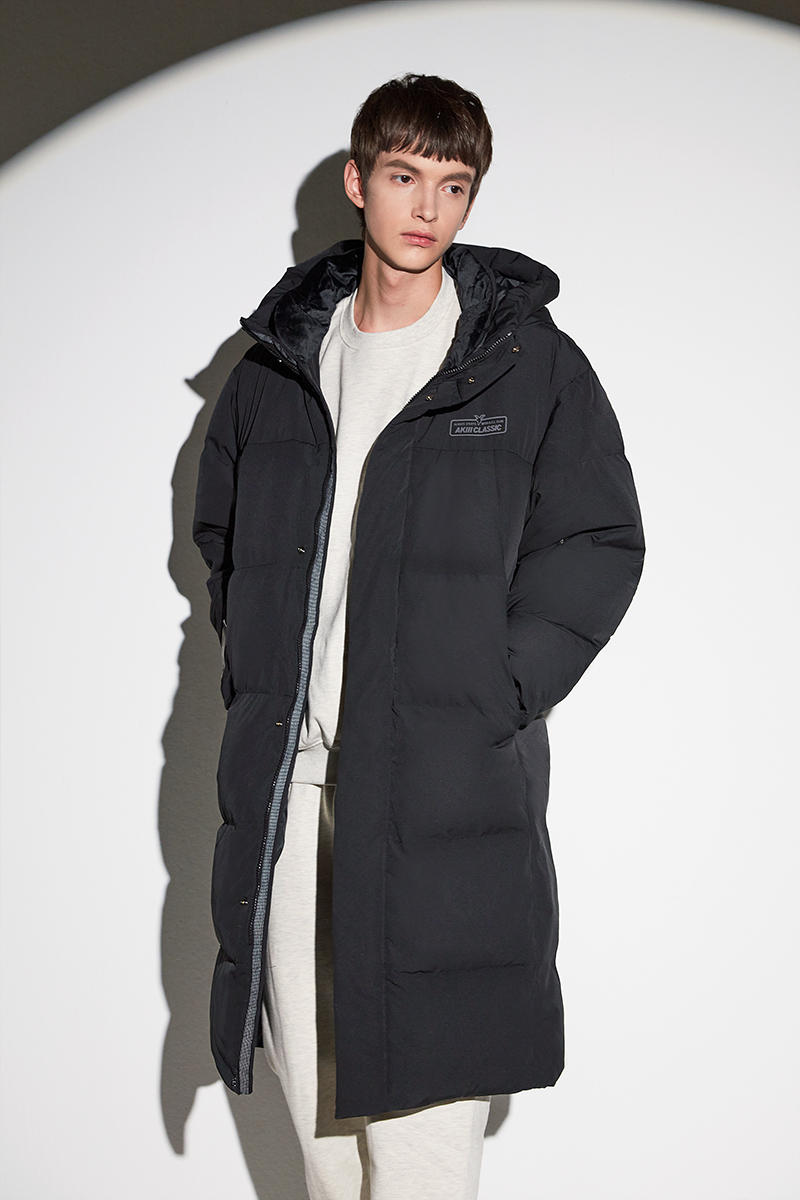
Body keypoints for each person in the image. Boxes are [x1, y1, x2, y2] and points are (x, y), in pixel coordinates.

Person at [193, 73, 644, 1200]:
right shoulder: (277, 370)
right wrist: (267, 673)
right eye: (404, 177)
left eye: (453, 186)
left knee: (421, 1153)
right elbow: (225, 543)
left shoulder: (523, 361)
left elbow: (596, 540)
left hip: (439, 799)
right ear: (358, 183)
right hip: (293, 796)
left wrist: (490, 690)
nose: (427, 209)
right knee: (321, 1143)